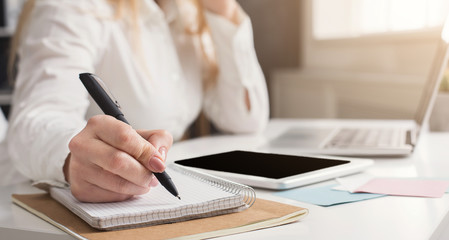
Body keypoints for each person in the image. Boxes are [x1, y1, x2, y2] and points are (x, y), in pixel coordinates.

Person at [3, 0, 269, 202]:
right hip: (31, 207)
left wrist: (225, 12)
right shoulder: (75, 7)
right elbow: (35, 122)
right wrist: (73, 157)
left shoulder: (186, 12)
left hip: (144, 196)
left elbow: (244, 119)